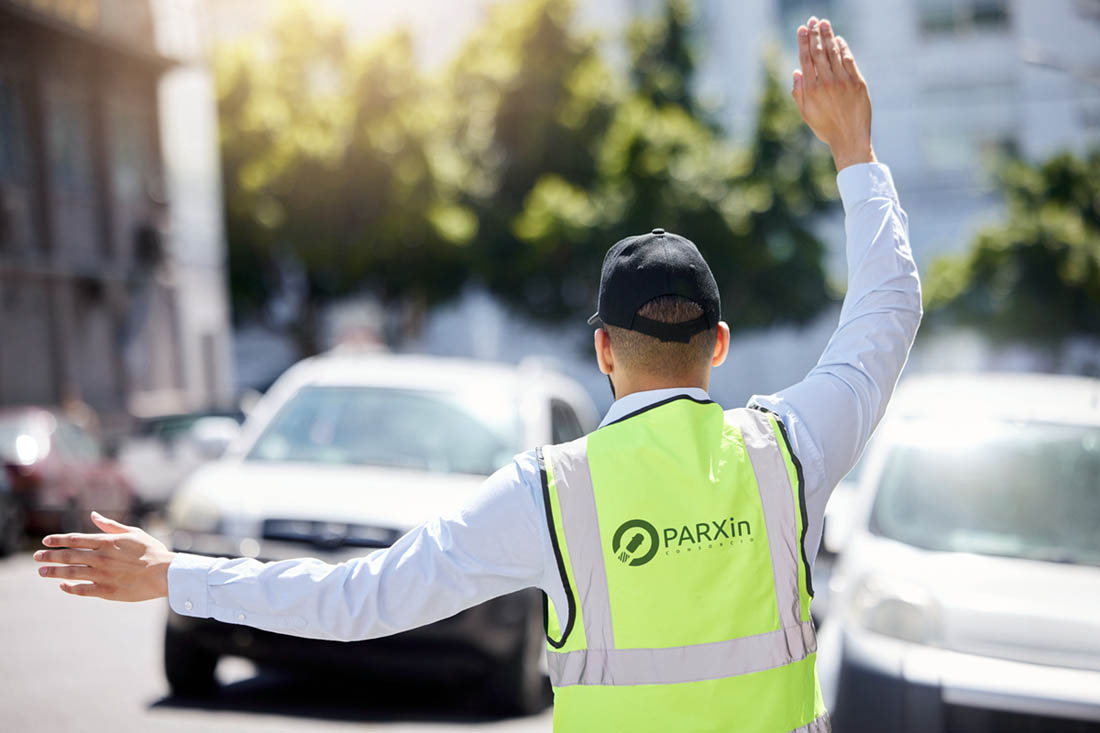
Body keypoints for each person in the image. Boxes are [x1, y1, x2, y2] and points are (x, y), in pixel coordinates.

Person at [34, 17, 920, 733]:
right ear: (717, 343)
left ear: (603, 350)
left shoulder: (551, 492)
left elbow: (360, 596)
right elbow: (888, 311)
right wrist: (854, 150)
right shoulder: (791, 453)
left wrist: (174, 572)